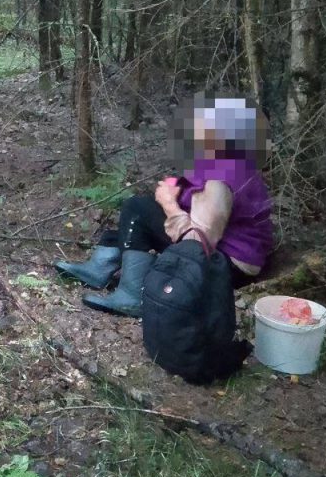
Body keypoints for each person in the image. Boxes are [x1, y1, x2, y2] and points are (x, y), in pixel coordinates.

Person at [55, 94, 274, 316]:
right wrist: (174, 195)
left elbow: (200, 241)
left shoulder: (222, 175)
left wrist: (169, 204)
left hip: (228, 267)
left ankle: (133, 296)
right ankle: (99, 268)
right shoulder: (231, 163)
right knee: (140, 216)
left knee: (138, 209)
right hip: (227, 258)